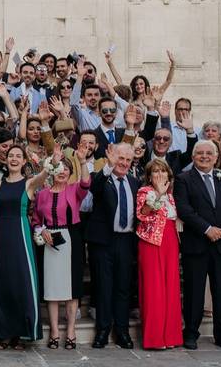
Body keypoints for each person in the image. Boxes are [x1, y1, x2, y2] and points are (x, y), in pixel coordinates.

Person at [0, 143, 57, 349]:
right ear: (6, 159)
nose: (14, 159)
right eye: (11, 156)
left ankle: (19, 333)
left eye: (18, 156)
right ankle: (3, 332)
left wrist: (52, 161)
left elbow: (44, 175)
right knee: (0, 283)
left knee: (20, 282)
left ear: (24, 161)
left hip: (20, 236)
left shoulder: (29, 184)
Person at [174, 140, 221, 350]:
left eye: (209, 153)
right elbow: (185, 210)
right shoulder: (184, 179)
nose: (204, 156)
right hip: (197, 244)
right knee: (194, 292)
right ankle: (191, 334)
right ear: (193, 156)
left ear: (215, 157)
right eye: (200, 153)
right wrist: (208, 230)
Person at [32, 143, 91, 350]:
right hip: (50, 241)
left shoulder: (75, 191)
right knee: (52, 287)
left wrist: (82, 161)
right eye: (59, 168)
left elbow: (86, 183)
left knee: (72, 287)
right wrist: (41, 230)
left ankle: (71, 330)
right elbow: (36, 219)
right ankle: (55, 330)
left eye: (67, 169)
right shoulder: (42, 194)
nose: (63, 172)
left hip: (71, 238)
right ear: (53, 171)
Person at [85, 142, 140, 349]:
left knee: (123, 288)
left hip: (126, 241)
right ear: (112, 157)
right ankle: (103, 331)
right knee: (104, 287)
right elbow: (94, 187)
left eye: (128, 159)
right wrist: (108, 166)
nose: (124, 163)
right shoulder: (103, 178)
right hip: (104, 241)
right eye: (120, 158)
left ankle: (122, 331)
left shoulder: (135, 182)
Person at [135, 158, 183, 350]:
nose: (160, 175)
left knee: (170, 288)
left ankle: (170, 336)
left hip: (170, 241)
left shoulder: (171, 196)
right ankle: (154, 338)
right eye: (155, 172)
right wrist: (158, 195)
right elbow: (142, 214)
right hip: (151, 243)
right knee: (153, 288)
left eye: (163, 171)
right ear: (149, 176)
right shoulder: (144, 192)